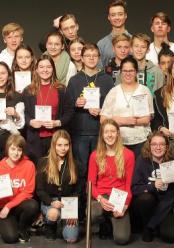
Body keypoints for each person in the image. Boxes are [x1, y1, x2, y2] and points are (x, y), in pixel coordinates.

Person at [66, 43, 114, 205]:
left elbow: (112, 106)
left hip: (100, 133)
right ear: (82, 58)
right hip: (79, 133)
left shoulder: (107, 80)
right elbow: (66, 107)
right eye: (88, 56)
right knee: (81, 172)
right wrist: (75, 102)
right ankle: (80, 212)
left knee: (101, 172)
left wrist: (101, 111)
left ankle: (98, 211)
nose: (91, 59)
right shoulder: (74, 80)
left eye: (95, 56)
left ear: (99, 58)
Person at [88, 119, 135, 245]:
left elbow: (129, 185)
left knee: (122, 239)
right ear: (102, 135)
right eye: (106, 132)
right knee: (93, 213)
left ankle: (111, 220)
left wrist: (124, 206)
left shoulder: (128, 155)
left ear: (118, 133)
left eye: (113, 131)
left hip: (119, 198)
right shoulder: (95, 155)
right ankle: (104, 221)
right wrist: (100, 199)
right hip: (101, 196)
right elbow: (90, 184)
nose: (109, 135)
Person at [0, 134, 39, 243]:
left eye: (19, 150)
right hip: (0, 207)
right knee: (11, 238)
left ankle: (22, 228)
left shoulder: (29, 165)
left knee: (32, 205)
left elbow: (28, 192)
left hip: (15, 206)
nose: (16, 153)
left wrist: (9, 206)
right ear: (7, 149)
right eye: (13, 149)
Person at [131, 132, 174, 243]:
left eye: (161, 144)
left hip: (165, 205)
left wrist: (152, 223)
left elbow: (173, 193)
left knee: (170, 237)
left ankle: (151, 226)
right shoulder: (142, 160)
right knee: (146, 199)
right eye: (154, 144)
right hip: (147, 203)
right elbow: (135, 188)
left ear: (166, 147)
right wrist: (153, 186)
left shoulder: (172, 162)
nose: (158, 147)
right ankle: (146, 228)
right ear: (149, 146)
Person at [24, 55, 74, 163]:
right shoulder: (28, 91)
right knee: (38, 171)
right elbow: (24, 113)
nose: (45, 70)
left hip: (56, 138)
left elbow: (70, 112)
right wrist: (30, 122)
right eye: (41, 67)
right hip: (35, 139)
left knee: (55, 171)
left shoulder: (61, 89)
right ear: (36, 69)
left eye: (48, 67)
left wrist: (58, 123)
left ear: (53, 69)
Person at [102, 56, 154, 158]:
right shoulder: (114, 92)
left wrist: (129, 121)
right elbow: (103, 119)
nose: (128, 73)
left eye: (131, 70)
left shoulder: (144, 90)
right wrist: (122, 120)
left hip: (141, 141)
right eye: (125, 71)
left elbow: (147, 118)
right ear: (121, 72)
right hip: (118, 142)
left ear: (136, 72)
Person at [35, 130, 80, 243]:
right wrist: (51, 202)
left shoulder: (74, 164)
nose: (63, 148)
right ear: (54, 145)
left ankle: (63, 223)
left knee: (71, 238)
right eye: (59, 145)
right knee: (54, 214)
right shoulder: (43, 162)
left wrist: (73, 211)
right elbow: (40, 190)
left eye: (66, 145)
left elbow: (78, 191)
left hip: (68, 203)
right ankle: (50, 225)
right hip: (50, 202)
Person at [98, 0, 130, 68]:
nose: (117, 17)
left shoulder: (134, 41)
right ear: (109, 17)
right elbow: (99, 71)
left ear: (125, 15)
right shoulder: (101, 44)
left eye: (120, 14)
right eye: (113, 15)